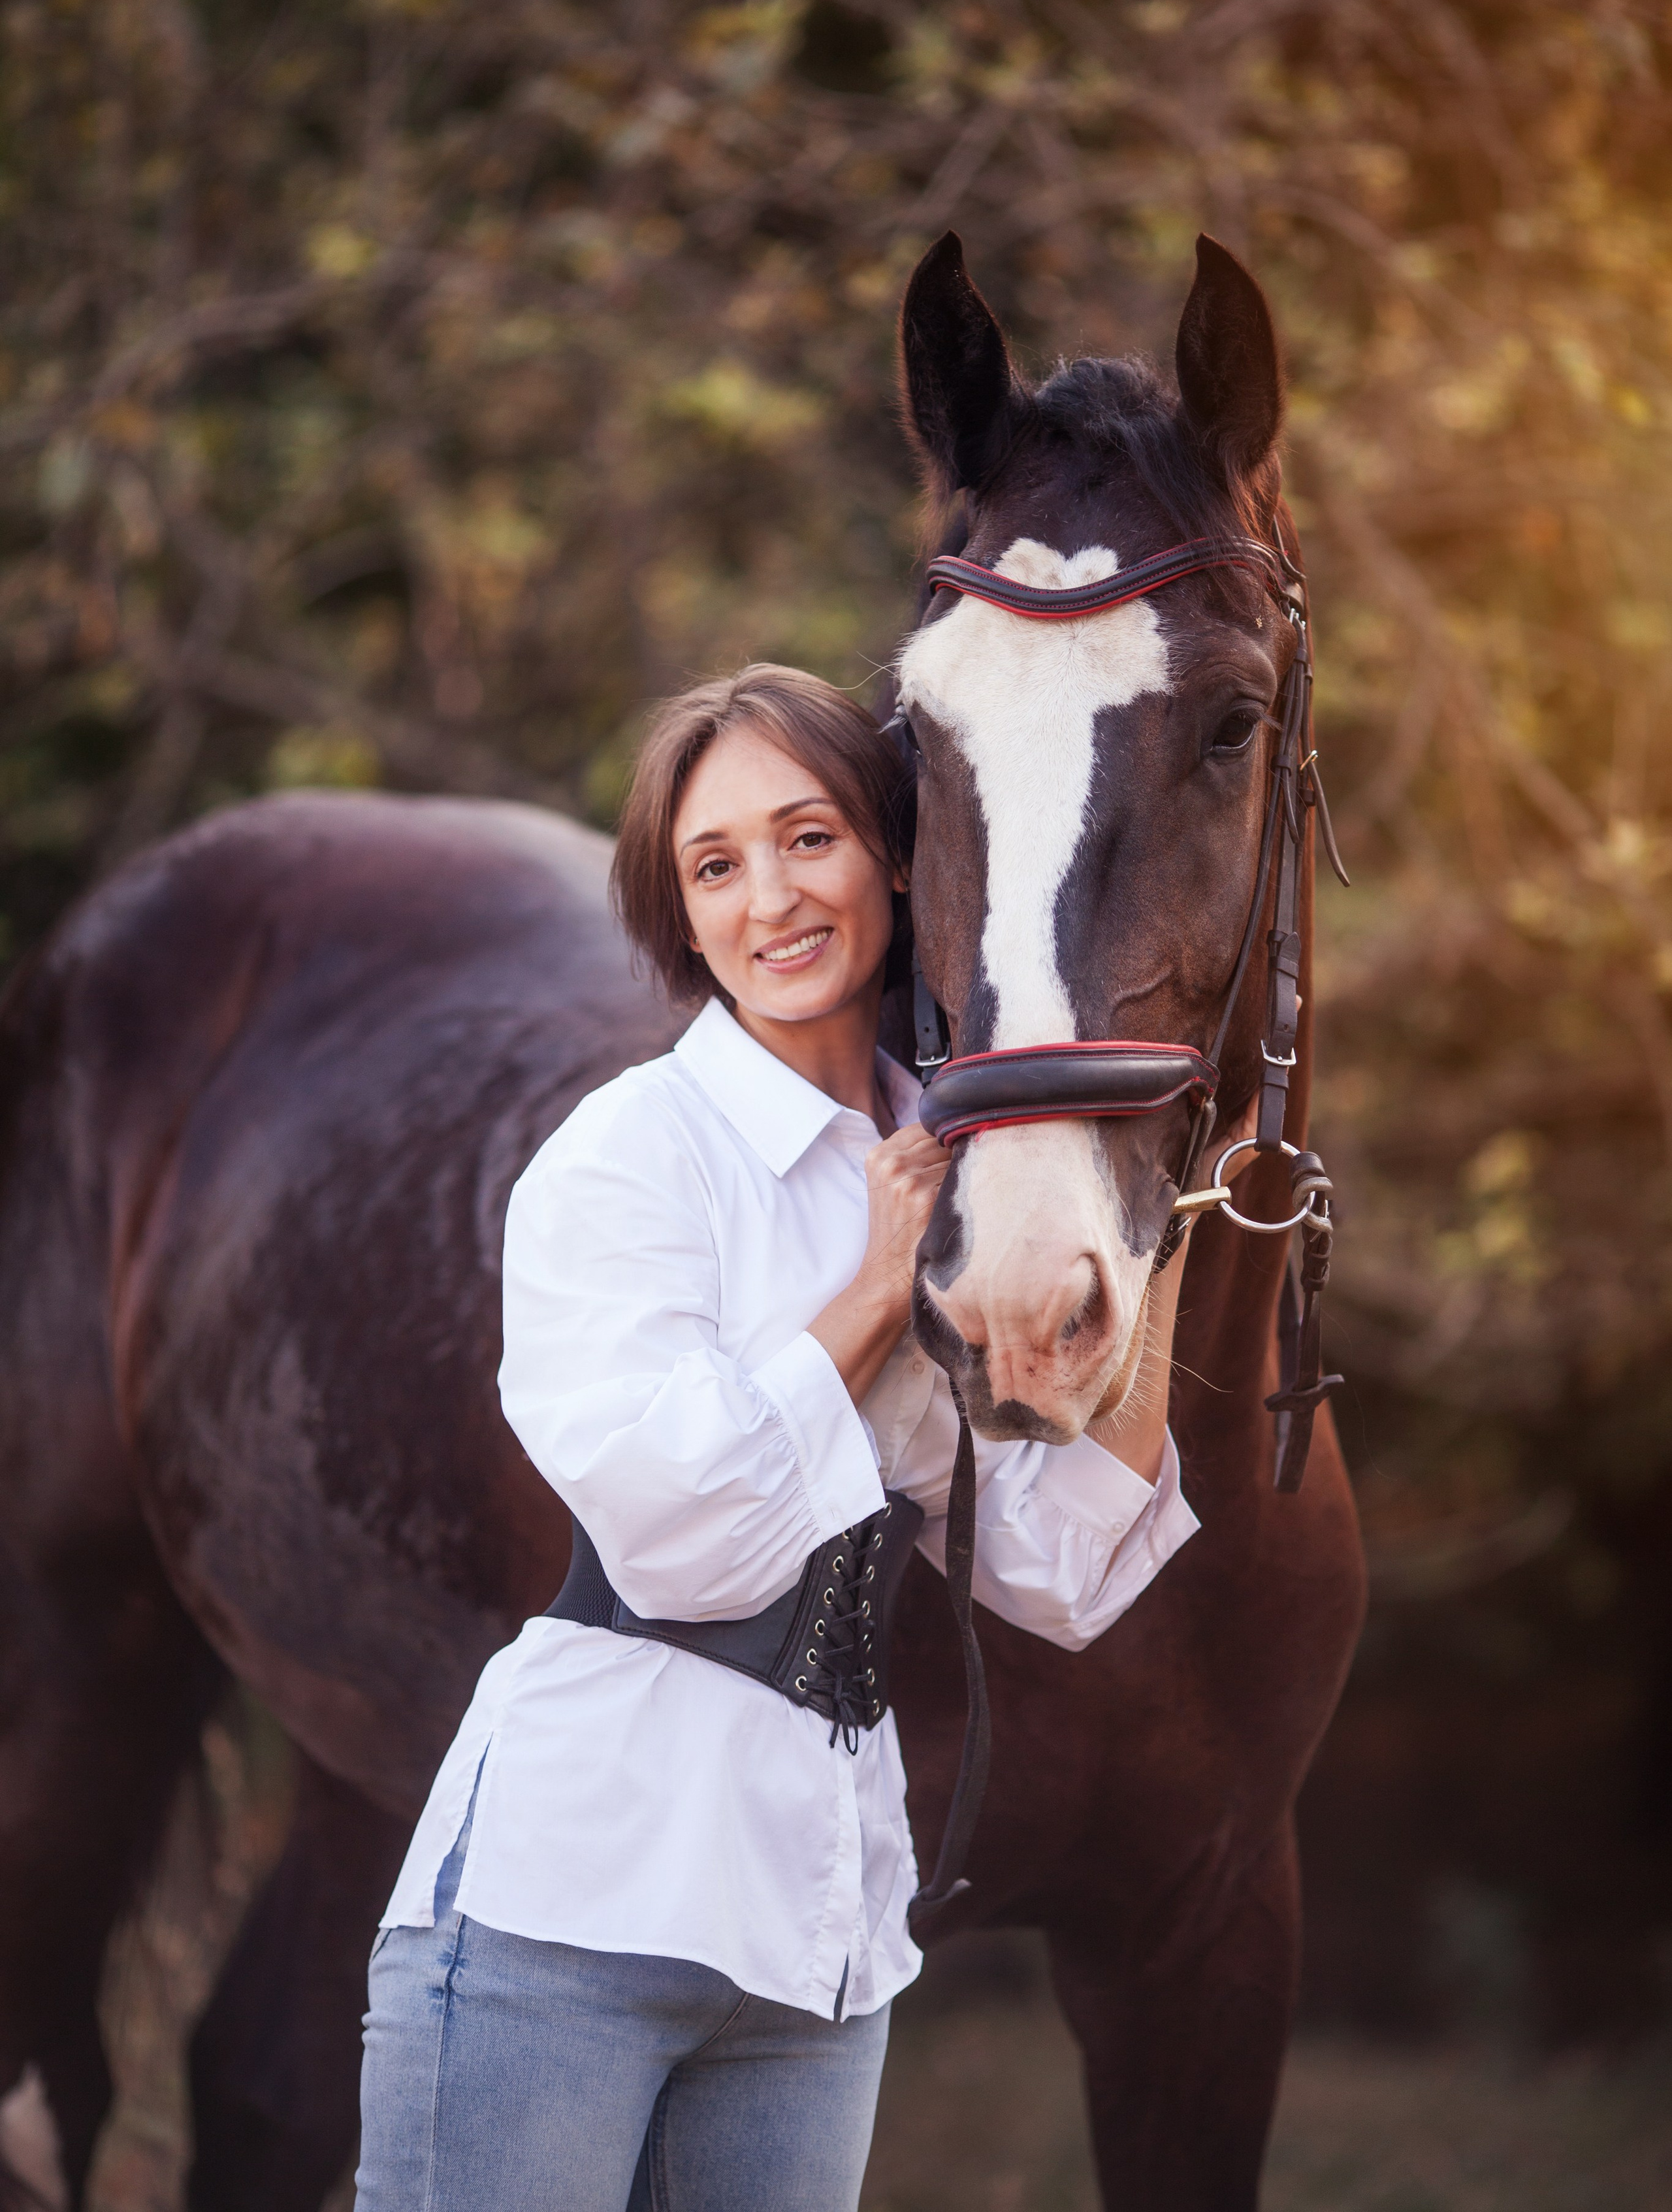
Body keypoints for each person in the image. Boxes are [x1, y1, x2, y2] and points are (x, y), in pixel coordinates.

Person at [353, 664, 1204, 2212]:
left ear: (895, 853)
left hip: (817, 1942)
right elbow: (679, 1540)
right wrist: (877, 1290)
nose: (772, 899)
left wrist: (1142, 1237)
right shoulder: (623, 1161)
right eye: (715, 865)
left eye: (807, 838)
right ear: (681, 919)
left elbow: (1055, 1568)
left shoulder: (953, 1166)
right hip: (570, 1907)